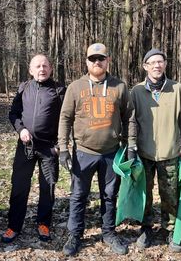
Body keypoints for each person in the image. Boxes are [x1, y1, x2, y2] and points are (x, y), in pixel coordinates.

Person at [58, 43, 132, 257]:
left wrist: (130, 146)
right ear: (87, 61)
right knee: (78, 195)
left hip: (111, 152)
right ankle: (75, 235)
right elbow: (65, 118)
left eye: (101, 58)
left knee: (109, 195)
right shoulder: (75, 87)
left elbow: (130, 118)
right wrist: (63, 148)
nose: (97, 62)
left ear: (108, 60)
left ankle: (108, 232)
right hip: (83, 152)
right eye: (93, 58)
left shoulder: (119, 86)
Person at [128, 49, 181, 253]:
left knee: (171, 196)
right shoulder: (136, 91)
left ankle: (171, 229)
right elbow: (131, 122)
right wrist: (131, 147)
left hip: (171, 153)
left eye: (161, 61)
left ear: (165, 64)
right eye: (152, 62)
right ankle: (146, 227)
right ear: (145, 66)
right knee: (144, 194)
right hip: (145, 154)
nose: (157, 65)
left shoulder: (176, 89)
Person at [1, 54, 65, 243]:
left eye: (45, 66)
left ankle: (44, 223)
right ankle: (13, 226)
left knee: (48, 187)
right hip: (25, 147)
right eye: (37, 66)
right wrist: (21, 130)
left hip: (49, 148)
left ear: (51, 68)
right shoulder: (24, 88)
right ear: (30, 70)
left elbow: (66, 119)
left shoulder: (60, 90)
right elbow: (13, 114)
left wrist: (60, 144)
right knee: (19, 187)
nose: (41, 69)